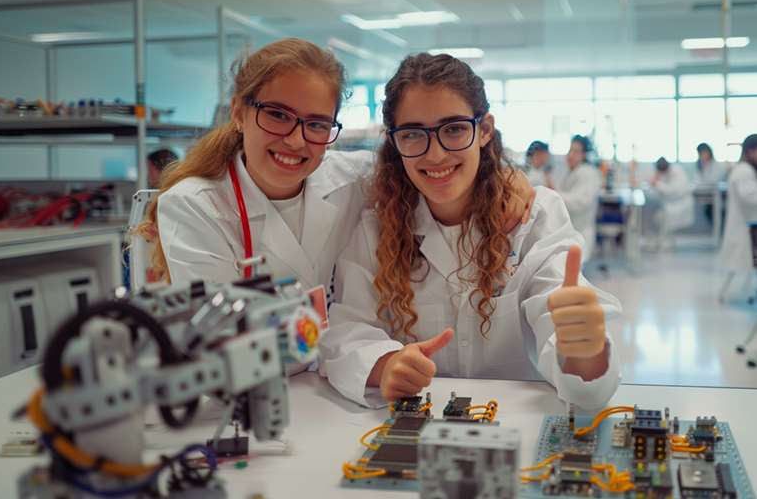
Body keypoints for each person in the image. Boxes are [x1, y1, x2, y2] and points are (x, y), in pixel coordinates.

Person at [319, 53, 621, 410]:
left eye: (454, 129)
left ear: (484, 130)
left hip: (512, 424)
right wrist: (384, 364)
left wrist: (585, 349)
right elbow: (347, 329)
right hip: (415, 424)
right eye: (414, 134)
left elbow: (583, 372)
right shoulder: (375, 228)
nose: (435, 154)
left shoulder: (533, 217)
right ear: (394, 142)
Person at [139, 38, 535, 298]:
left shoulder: (351, 177)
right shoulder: (194, 206)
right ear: (239, 112)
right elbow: (218, 338)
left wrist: (505, 177)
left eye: (316, 123)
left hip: (334, 383)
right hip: (246, 394)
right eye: (277, 115)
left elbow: (429, 166)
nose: (296, 140)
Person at [548, 135, 601, 261]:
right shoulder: (571, 171)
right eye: (570, 150)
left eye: (575, 152)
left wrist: (554, 194)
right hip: (569, 231)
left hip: (580, 232)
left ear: (584, 155)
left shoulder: (587, 173)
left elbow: (580, 202)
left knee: (572, 273)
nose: (570, 155)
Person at [718, 134, 757, 289]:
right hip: (746, 227)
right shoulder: (743, 171)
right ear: (749, 151)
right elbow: (750, 197)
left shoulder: (746, 169)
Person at [649, 157, 694, 247]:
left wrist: (657, 184)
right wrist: (655, 183)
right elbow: (654, 192)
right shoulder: (661, 173)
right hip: (670, 204)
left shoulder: (677, 171)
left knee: (665, 219)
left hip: (680, 203)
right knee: (658, 218)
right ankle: (663, 241)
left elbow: (674, 191)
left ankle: (665, 242)